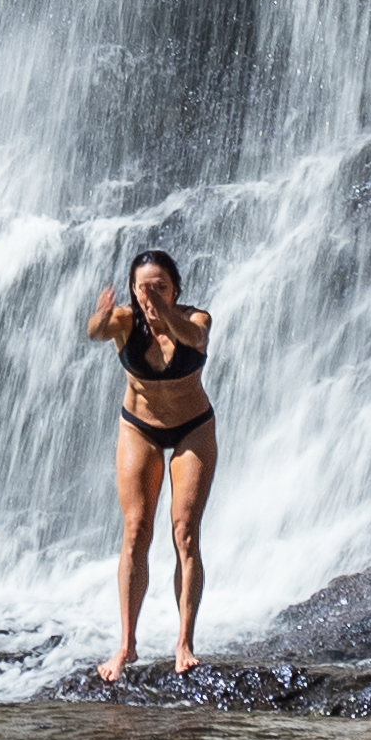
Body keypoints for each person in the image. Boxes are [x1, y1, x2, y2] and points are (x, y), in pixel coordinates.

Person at [85, 244, 217, 681]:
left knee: (185, 533)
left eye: (160, 287)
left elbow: (195, 340)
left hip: (192, 428)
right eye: (143, 288)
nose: (151, 296)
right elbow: (95, 332)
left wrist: (165, 310)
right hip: (138, 428)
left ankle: (184, 642)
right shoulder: (126, 321)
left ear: (176, 288)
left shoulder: (196, 318)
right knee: (136, 530)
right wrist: (101, 318)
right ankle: (126, 644)